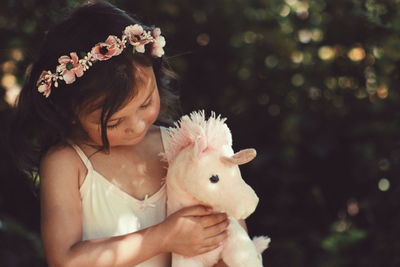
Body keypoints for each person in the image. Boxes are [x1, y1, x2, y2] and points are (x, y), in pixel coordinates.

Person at [10, 1, 243, 266]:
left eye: (145, 104)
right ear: (70, 112)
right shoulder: (67, 163)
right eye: (114, 121)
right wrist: (163, 237)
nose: (136, 125)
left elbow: (232, 230)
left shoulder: (183, 147)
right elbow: (64, 259)